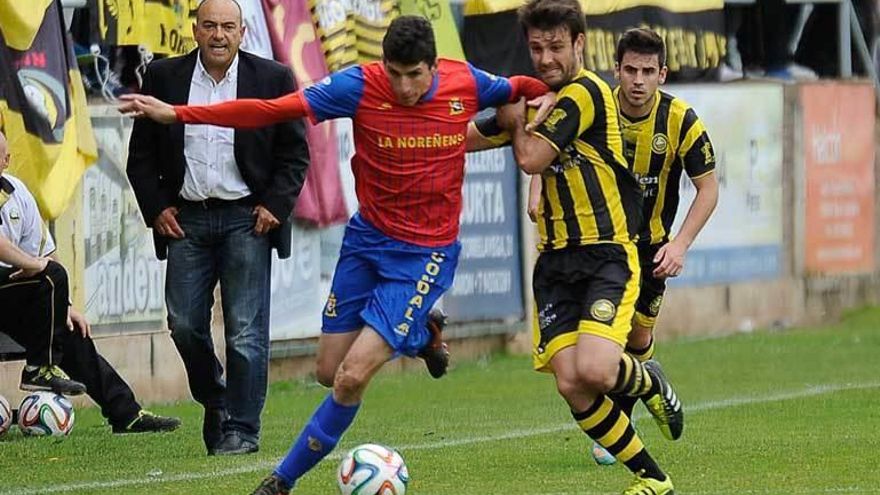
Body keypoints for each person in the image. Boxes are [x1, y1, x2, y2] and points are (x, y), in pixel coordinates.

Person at [119, 14, 550, 494]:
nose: (404, 87)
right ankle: (421, 332)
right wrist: (178, 114)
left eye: (415, 75)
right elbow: (269, 109)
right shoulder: (358, 86)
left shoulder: (465, 81)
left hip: (425, 254)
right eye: (395, 73)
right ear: (383, 64)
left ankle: (281, 481)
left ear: (434, 67)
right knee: (326, 371)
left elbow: (523, 86)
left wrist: (548, 96)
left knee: (349, 378)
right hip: (366, 243)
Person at [469, 2, 682, 493]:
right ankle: (655, 480)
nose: (545, 58)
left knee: (596, 369)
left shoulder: (584, 92)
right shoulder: (537, 99)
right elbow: (466, 139)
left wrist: (512, 113)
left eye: (556, 47)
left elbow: (530, 156)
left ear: (580, 45)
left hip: (605, 253)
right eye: (537, 48)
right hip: (555, 263)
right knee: (571, 382)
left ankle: (650, 381)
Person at [124, 0, 310, 455]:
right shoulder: (165, 78)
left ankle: (243, 430)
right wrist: (156, 208)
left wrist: (275, 206)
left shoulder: (273, 79)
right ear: (195, 29)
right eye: (210, 26)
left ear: (243, 32)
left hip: (247, 218)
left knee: (246, 330)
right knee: (184, 323)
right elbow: (141, 156)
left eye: (228, 26)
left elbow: (295, 153)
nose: (219, 35)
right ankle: (217, 400)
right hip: (186, 219)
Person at [577, 27, 720, 466]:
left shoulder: (681, 120)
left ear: (663, 73)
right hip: (600, 244)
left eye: (647, 71)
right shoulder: (595, 108)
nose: (637, 81)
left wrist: (680, 244)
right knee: (598, 341)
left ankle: (636, 397)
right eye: (630, 70)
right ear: (616, 70)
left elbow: (708, 189)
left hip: (652, 248)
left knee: (638, 337)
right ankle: (616, 427)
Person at [0, 129, 180, 434]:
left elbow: (46, 252)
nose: (3, 158)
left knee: (70, 331)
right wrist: (36, 267)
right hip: (11, 284)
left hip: (12, 294)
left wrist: (61, 307)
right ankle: (38, 370)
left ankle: (127, 414)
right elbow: (36, 262)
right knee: (52, 274)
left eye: (2, 153)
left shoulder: (16, 192)